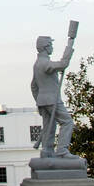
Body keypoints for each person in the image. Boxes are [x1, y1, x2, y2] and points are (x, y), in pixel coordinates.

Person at [31, 29, 77, 157]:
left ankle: (47, 151)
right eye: (51, 45)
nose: (52, 47)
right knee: (67, 122)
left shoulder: (37, 64)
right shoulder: (45, 63)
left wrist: (39, 100)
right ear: (46, 47)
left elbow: (34, 86)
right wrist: (69, 45)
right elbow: (63, 64)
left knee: (49, 127)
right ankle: (62, 150)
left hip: (43, 101)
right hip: (52, 100)